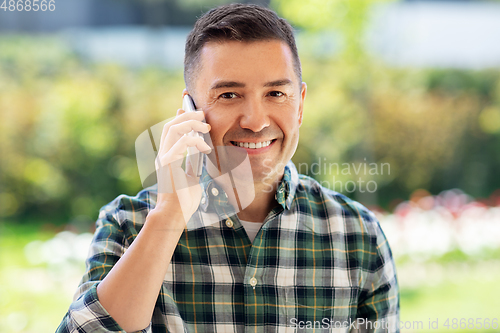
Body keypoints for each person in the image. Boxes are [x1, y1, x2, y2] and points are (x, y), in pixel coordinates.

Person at [56, 3, 399, 333]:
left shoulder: (359, 236)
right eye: (229, 95)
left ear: (300, 105)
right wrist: (170, 215)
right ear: (190, 110)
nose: (255, 120)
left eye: (276, 93)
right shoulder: (129, 224)